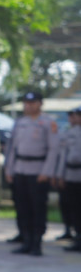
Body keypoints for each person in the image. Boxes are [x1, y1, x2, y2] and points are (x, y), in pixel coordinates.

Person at [5, 92, 60, 256]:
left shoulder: (48, 123)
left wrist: (46, 172)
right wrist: (9, 169)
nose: (28, 106)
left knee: (37, 208)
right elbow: (11, 148)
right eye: (26, 103)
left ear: (40, 104)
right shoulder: (20, 122)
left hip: (38, 171)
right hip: (20, 170)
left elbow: (53, 149)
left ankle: (37, 242)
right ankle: (26, 240)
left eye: (32, 102)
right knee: (22, 207)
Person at [58, 106, 81, 252]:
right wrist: (60, 175)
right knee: (74, 208)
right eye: (72, 116)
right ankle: (77, 237)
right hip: (71, 174)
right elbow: (63, 157)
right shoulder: (68, 133)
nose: (74, 118)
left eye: (76, 115)